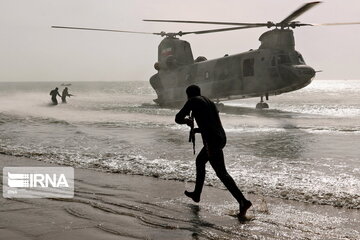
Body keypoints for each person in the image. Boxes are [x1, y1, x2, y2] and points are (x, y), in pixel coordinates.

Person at [175, 85, 252, 217]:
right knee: (200, 162)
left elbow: (178, 118)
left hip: (212, 141)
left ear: (188, 95)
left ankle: (243, 201)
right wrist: (197, 130)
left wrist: (187, 121)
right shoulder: (208, 101)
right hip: (220, 138)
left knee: (221, 173)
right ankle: (197, 194)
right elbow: (210, 123)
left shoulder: (193, 101)